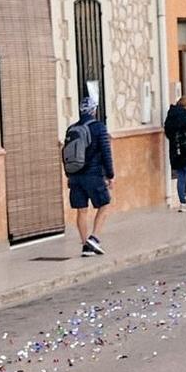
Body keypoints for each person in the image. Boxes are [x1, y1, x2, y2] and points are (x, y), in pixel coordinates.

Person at [64, 94, 115, 255]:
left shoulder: (71, 129)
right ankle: (94, 239)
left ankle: (86, 245)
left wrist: (68, 175)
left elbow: (65, 154)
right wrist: (110, 174)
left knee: (81, 210)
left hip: (75, 176)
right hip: (93, 175)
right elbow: (106, 152)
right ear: (93, 111)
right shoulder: (99, 127)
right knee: (105, 205)